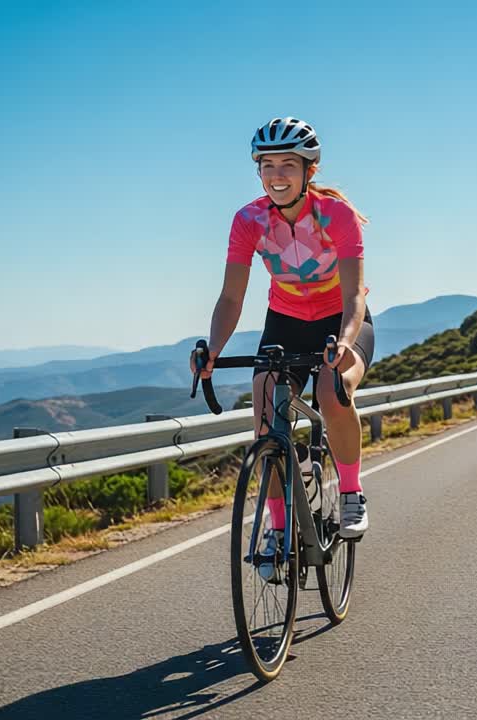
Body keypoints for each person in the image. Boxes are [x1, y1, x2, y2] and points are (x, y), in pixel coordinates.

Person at [193, 117, 375, 576]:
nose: (277, 174)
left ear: (309, 170)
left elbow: (354, 295)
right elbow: (231, 297)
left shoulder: (337, 216)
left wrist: (345, 342)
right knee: (264, 420)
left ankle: (351, 493)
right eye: (267, 164)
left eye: (288, 165)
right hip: (286, 321)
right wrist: (213, 349)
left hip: (340, 319)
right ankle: (277, 528)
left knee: (333, 392)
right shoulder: (248, 220)